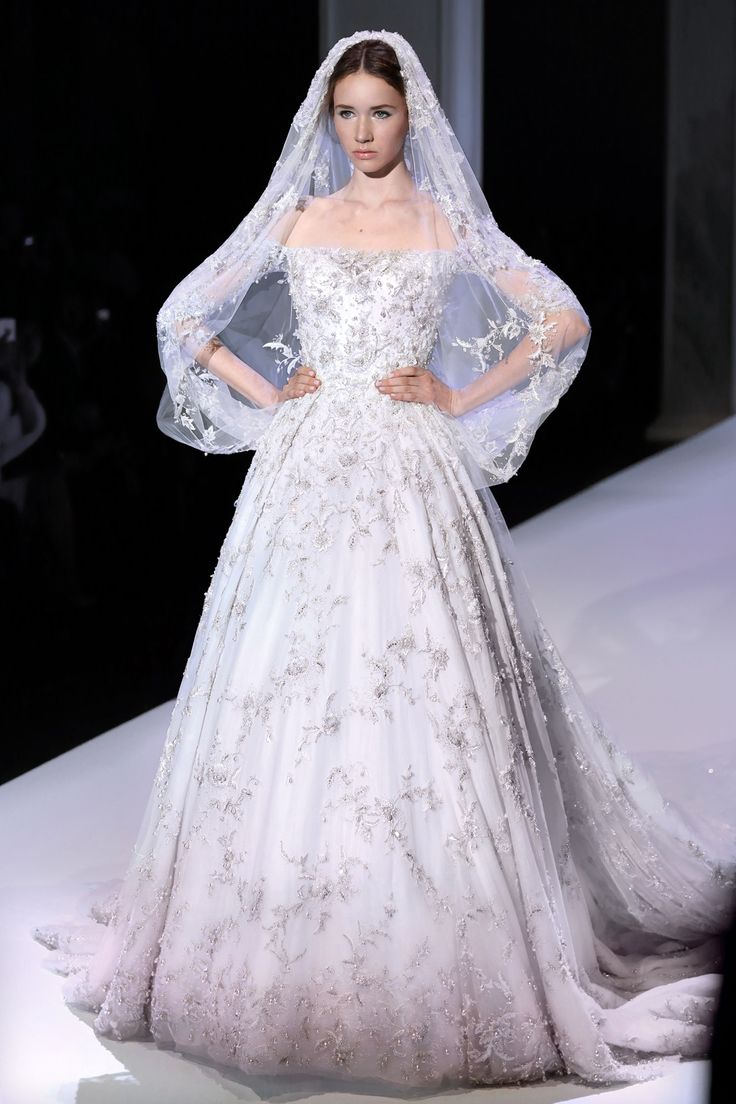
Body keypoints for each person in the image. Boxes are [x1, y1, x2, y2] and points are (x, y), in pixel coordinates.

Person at [33, 30, 736, 1091]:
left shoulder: (445, 223)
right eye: (347, 115)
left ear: (412, 118)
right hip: (308, 471)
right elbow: (184, 314)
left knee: (426, 679)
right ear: (329, 121)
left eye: (381, 113)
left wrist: (459, 394)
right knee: (288, 682)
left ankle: (448, 927)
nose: (363, 132)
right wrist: (269, 396)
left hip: (411, 468)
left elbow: (561, 317)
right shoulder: (299, 216)